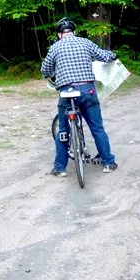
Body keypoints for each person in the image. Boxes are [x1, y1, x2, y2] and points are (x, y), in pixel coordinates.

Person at [41, 17, 118, 177]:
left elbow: (45, 70)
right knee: (97, 128)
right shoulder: (85, 42)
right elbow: (104, 56)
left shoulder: (55, 47)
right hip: (87, 90)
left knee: (63, 130)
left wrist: (52, 73)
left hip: (66, 92)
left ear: (59, 34)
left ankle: (59, 168)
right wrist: (113, 55)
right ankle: (108, 163)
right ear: (74, 32)